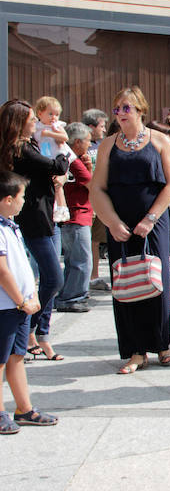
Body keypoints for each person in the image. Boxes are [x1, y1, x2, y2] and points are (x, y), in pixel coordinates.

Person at [90, 86, 170, 374]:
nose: (120, 114)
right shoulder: (108, 144)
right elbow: (98, 188)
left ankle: (161, 344)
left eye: (126, 108)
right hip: (120, 221)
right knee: (125, 282)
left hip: (153, 220)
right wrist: (111, 222)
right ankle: (135, 350)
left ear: (141, 109)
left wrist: (152, 217)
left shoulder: (159, 140)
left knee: (156, 281)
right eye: (116, 109)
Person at [0, 99, 69, 362]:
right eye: (30, 119)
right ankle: (28, 330)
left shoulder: (25, 145)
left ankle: (40, 336)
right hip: (32, 219)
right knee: (53, 278)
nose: (34, 122)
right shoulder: (20, 149)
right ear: (20, 122)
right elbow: (58, 167)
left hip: (45, 215)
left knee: (48, 279)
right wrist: (62, 151)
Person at [0, 171, 59, 434]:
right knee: (1, 361)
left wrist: (31, 295)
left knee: (16, 357)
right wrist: (21, 300)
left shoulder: (11, 226)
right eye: (22, 197)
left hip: (20, 305)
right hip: (6, 306)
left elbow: (21, 266)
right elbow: (2, 271)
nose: (24, 201)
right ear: (7, 199)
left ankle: (24, 408)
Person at [56, 123, 94, 313]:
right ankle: (72, 297)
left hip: (73, 217)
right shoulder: (73, 160)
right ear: (77, 142)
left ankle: (70, 294)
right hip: (77, 216)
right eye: (88, 141)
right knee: (81, 261)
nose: (90, 144)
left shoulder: (67, 157)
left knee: (74, 261)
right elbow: (92, 184)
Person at [33, 96, 75, 223]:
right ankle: (56, 208)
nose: (54, 117)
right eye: (50, 114)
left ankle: (62, 209)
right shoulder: (36, 126)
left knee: (58, 185)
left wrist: (49, 133)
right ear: (40, 113)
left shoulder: (56, 126)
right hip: (45, 156)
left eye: (56, 114)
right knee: (52, 184)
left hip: (57, 154)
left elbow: (64, 137)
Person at [83, 109, 110, 292]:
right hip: (85, 198)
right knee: (85, 240)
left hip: (101, 196)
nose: (104, 129)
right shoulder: (81, 144)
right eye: (101, 126)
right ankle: (86, 277)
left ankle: (94, 275)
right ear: (91, 127)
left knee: (96, 240)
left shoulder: (102, 144)